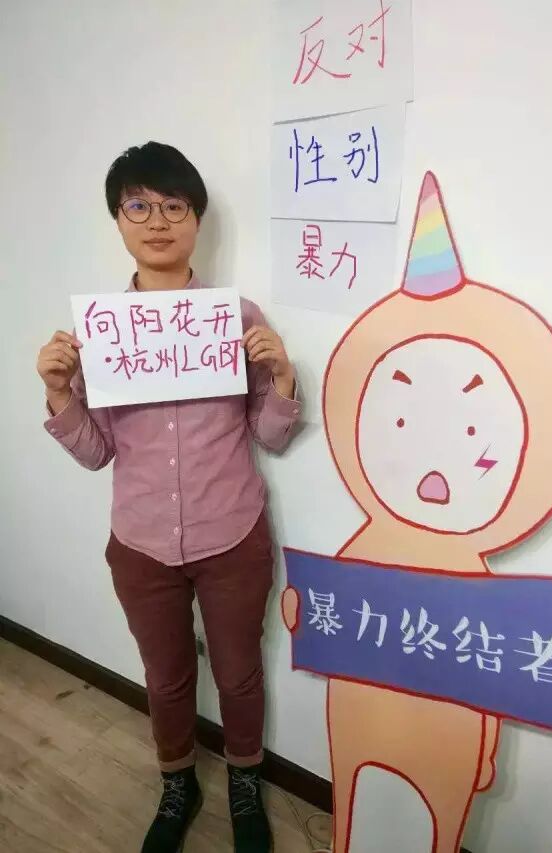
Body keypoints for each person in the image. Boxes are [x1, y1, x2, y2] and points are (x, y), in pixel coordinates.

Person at [36, 142, 301, 853]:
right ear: (118, 219)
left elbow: (269, 436)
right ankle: (177, 781)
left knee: (240, 673)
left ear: (197, 219)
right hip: (141, 543)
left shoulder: (235, 315)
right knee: (166, 675)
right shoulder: (101, 333)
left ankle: (244, 779)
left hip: (233, 535)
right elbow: (96, 452)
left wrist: (281, 379)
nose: (157, 220)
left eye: (174, 206)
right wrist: (60, 393)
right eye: (139, 205)